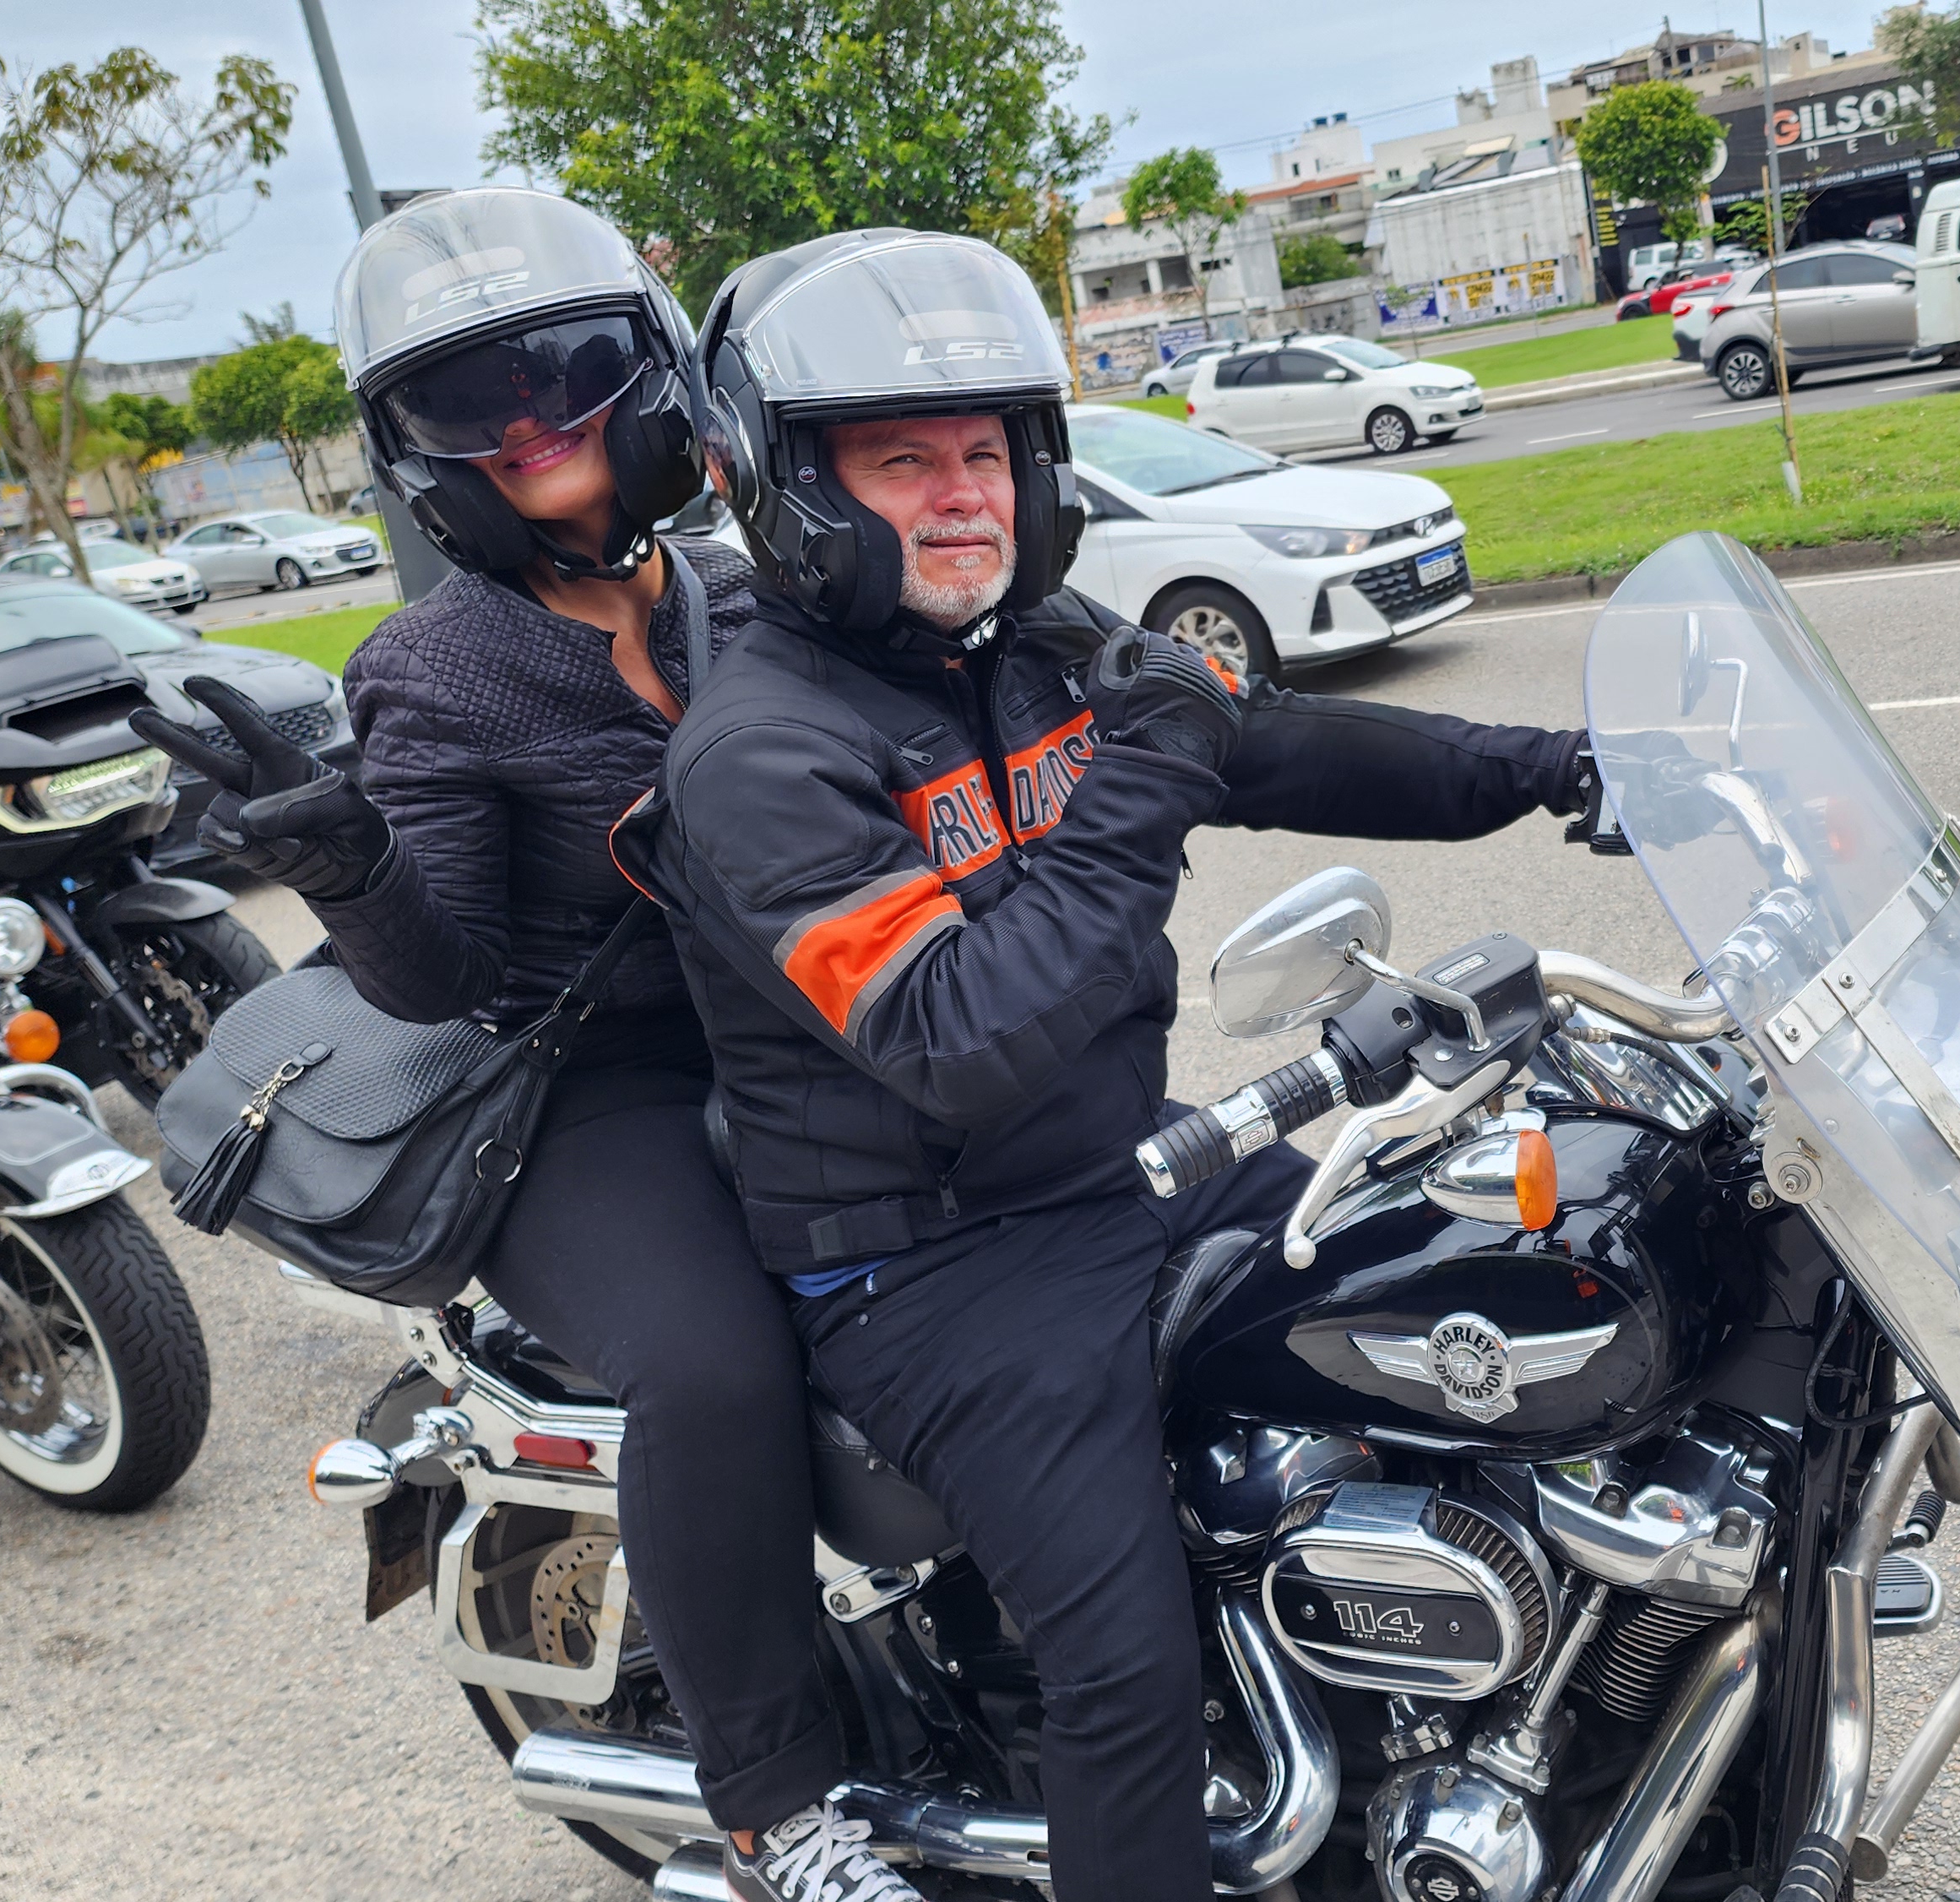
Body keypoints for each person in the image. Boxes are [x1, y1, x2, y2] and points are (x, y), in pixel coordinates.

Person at [621, 231, 1599, 1902]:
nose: (963, 497)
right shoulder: (757, 755)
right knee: (1123, 1667)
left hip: (1132, 1160)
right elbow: (959, 1037)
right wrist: (1149, 779)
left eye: (984, 452)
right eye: (902, 462)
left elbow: (1269, 744)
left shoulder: (1030, 642)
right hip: (930, 1259)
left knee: (1475, 1320)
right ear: (791, 489)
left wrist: (1554, 765)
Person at [122, 189, 918, 1902]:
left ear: (653, 376)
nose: (529, 420)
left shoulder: (752, 596)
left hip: (810, 1036)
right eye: (466, 399)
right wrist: (341, 853)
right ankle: (778, 1810)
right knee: (714, 1366)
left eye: (564, 367)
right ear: (412, 452)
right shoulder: (435, 668)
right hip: (592, 1091)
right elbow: (442, 975)